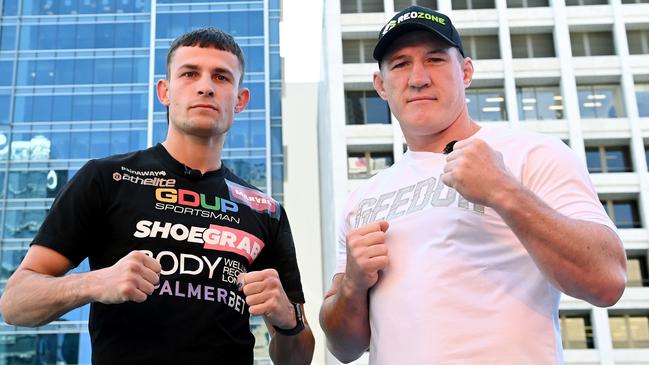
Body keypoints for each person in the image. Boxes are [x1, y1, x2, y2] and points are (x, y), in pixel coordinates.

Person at [319, 6, 626, 364]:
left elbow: (608, 280)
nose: (418, 78)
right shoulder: (363, 198)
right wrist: (354, 285)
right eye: (400, 64)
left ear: (465, 72)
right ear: (380, 86)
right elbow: (343, 348)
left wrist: (502, 191)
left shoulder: (533, 153)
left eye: (434, 60)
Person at [0, 27, 314, 365]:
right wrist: (94, 283)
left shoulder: (265, 210)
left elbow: (297, 359)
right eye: (190, 73)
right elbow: (15, 302)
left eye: (221, 77)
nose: (205, 86)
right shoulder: (107, 178)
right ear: (164, 91)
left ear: (240, 99)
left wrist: (289, 321)